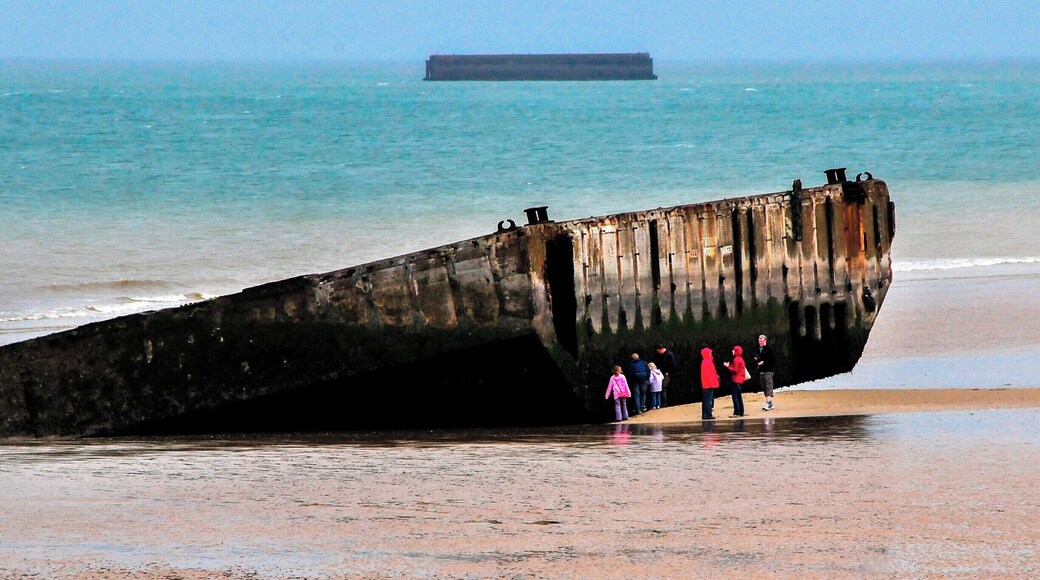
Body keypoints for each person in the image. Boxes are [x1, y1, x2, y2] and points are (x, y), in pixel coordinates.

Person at [754, 334, 778, 411]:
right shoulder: (757, 349)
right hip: (761, 371)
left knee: (768, 386)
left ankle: (768, 403)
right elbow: (756, 357)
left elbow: (773, 360)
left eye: (761, 340)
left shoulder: (769, 349)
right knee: (763, 386)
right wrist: (756, 360)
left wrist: (764, 362)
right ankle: (770, 403)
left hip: (768, 370)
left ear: (765, 340)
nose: (760, 342)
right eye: (759, 340)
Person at [724, 345, 747, 418]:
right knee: (738, 396)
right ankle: (741, 411)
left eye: (733, 350)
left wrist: (728, 366)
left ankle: (737, 412)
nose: (732, 351)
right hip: (740, 380)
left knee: (735, 396)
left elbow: (735, 370)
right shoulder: (740, 359)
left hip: (736, 379)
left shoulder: (736, 359)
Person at [699, 347, 720, 420]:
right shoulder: (708, 362)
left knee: (705, 400)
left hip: (706, 384)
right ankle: (708, 414)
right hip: (709, 384)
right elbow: (710, 374)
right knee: (708, 400)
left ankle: (705, 414)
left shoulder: (704, 361)